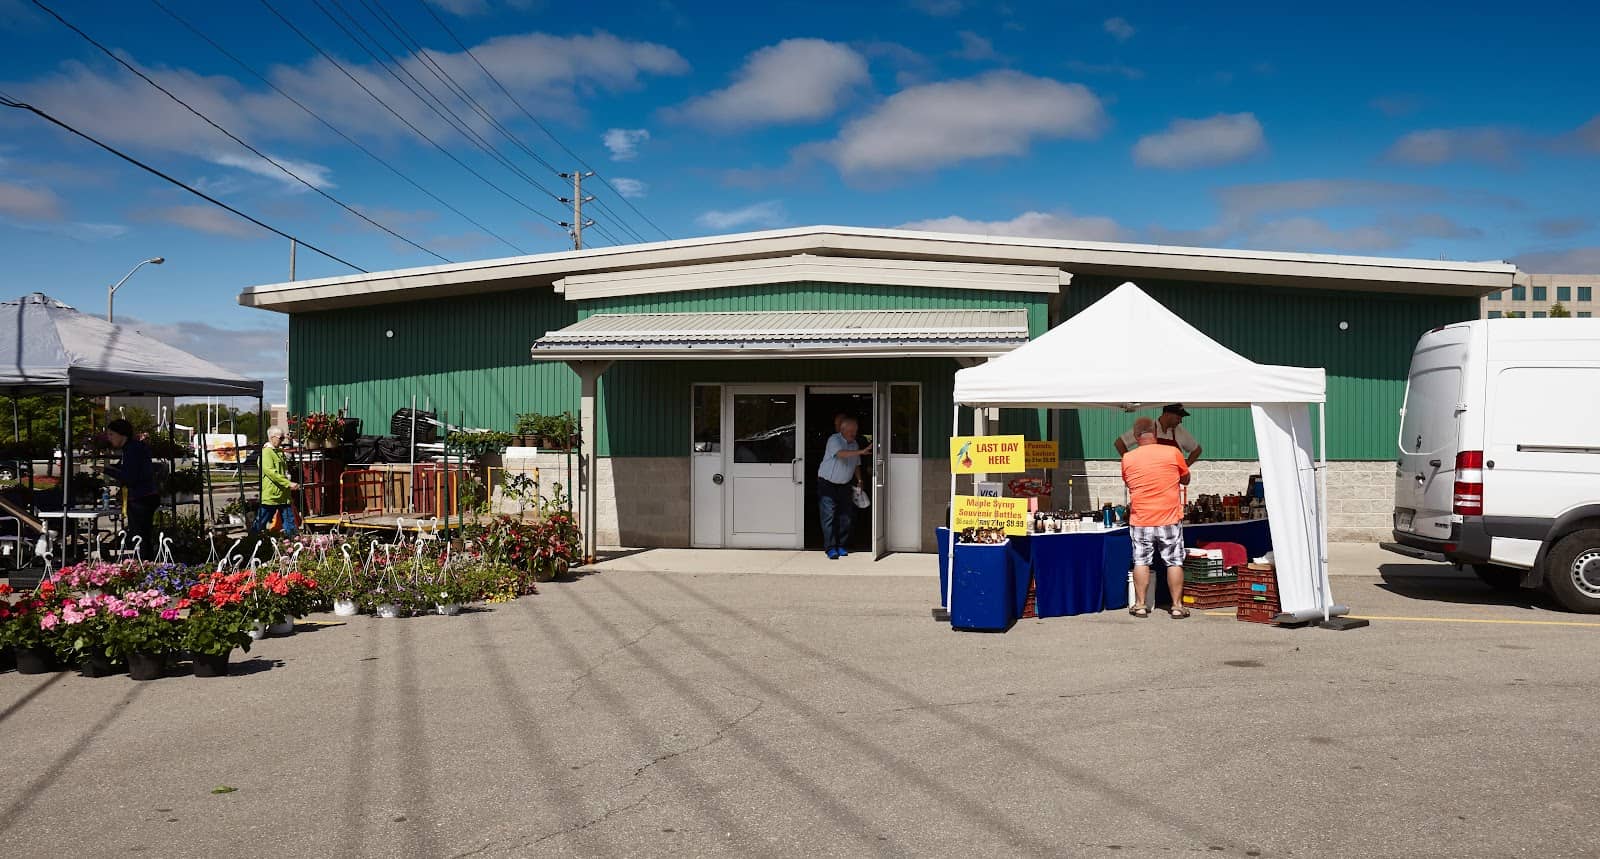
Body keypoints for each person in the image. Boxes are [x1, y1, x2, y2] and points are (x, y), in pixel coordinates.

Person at [1121, 420, 1191, 618]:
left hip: (1141, 518)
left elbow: (1128, 481)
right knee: (1174, 561)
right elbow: (1186, 478)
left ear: (1136, 437)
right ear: (1155, 432)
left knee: (1141, 561)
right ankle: (1177, 606)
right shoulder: (1172, 452)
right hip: (1169, 517)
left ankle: (1141, 604)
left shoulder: (1128, 457)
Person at [103, 419, 160, 558]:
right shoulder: (133, 448)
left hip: (141, 497)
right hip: (145, 496)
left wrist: (108, 470)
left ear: (122, 434)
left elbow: (130, 477)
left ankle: (145, 564)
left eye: (111, 434)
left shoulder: (132, 449)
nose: (109, 438)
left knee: (140, 535)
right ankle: (146, 562)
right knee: (142, 534)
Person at [817, 416, 870, 559]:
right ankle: (830, 548)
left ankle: (841, 546)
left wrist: (859, 479)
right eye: (851, 431)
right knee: (829, 516)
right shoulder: (834, 440)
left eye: (856, 431)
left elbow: (856, 464)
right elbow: (841, 454)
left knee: (846, 517)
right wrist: (861, 452)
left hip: (845, 485)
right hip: (827, 484)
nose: (854, 433)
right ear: (843, 430)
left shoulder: (855, 445)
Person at [1114, 404, 1202, 466]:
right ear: (1167, 414)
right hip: (1149, 479)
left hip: (1171, 483)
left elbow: (1197, 450)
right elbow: (1119, 443)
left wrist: (1186, 465)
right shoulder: (1147, 427)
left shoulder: (1180, 431)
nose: (1180, 421)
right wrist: (1131, 463)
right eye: (1178, 418)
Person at [254, 425, 300, 535]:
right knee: (261, 521)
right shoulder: (266, 452)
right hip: (272, 495)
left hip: (283, 495)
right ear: (272, 437)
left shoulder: (278, 452)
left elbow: (283, 471)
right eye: (281, 438)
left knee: (290, 522)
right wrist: (288, 483)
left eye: (283, 438)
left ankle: (294, 544)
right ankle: (251, 541)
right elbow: (271, 473)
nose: (283, 440)